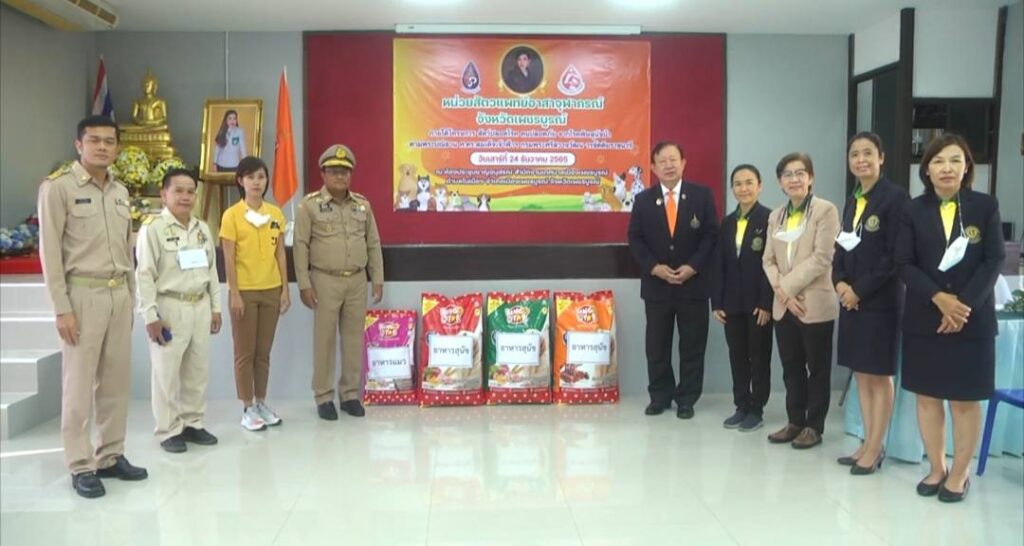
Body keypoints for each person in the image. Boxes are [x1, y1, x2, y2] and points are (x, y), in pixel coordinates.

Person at [37, 115, 148, 499]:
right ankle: (80, 464)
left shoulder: (120, 191)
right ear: (78, 145)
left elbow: (127, 249)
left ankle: (111, 455)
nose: (102, 147)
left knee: (116, 383)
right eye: (94, 140)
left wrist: (131, 296)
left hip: (118, 295)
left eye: (109, 141)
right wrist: (61, 308)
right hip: (82, 296)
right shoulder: (58, 188)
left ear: (117, 147)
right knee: (79, 385)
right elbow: (50, 253)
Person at [896, 133, 1004, 502]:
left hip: (971, 321)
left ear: (966, 167)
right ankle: (936, 467)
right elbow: (903, 262)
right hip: (925, 318)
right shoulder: (913, 210)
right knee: (927, 397)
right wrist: (939, 298)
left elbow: (993, 259)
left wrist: (962, 305)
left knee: (964, 400)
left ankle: (960, 472)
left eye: (955, 160)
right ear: (926, 169)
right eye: (939, 161)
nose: (947, 168)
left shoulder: (985, 206)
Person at [833, 132, 909, 475]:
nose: (860, 160)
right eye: (854, 154)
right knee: (862, 375)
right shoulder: (853, 199)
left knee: (879, 376)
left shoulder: (895, 198)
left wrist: (858, 290)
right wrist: (839, 282)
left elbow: (894, 256)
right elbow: (842, 246)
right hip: (851, 302)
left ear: (881, 158)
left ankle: (876, 447)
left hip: (880, 302)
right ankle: (866, 441)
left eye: (867, 153)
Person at [628, 141, 719, 419]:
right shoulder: (643, 200)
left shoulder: (701, 195)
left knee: (692, 346)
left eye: (673, 159)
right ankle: (660, 397)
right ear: (653, 167)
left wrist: (693, 266)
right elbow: (635, 238)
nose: (668, 165)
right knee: (657, 347)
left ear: (683, 163)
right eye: (662, 161)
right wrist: (653, 267)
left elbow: (711, 235)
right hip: (657, 287)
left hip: (693, 286)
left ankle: (687, 399)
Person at [135, 168, 223, 453]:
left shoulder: (202, 228)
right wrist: (150, 316)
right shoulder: (153, 229)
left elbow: (212, 271)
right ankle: (168, 429)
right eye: (178, 191)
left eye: (190, 191)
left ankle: (192, 422)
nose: (185, 197)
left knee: (197, 370)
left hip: (200, 305)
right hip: (169, 307)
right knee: (166, 373)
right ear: (164, 194)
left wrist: (216, 308)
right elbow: (144, 275)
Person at [294, 144, 384, 420]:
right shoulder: (309, 206)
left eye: (345, 171)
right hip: (324, 280)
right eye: (334, 171)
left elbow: (373, 243)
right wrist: (304, 284)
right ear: (323, 174)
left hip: (356, 280)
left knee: (354, 340)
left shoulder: (362, 205)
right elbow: (300, 246)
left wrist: (377, 279)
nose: (340, 176)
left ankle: (349, 395)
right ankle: (323, 397)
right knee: (324, 341)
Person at [762, 152, 840, 449]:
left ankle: (814, 426)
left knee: (817, 369)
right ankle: (795, 421)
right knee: (791, 367)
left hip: (814, 304)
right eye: (787, 174)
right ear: (779, 182)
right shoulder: (776, 216)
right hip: (784, 307)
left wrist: (785, 288)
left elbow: (822, 258)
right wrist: (784, 293)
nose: (793, 179)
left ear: (811, 178)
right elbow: (768, 260)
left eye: (800, 173)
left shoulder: (825, 210)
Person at [219, 156, 290, 432]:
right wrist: (234, 293)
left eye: (261, 176)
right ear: (241, 181)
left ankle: (261, 402)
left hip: (271, 289)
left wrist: (285, 289)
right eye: (250, 177)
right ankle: (247, 407)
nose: (256, 182)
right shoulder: (231, 215)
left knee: (263, 352)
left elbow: (280, 253)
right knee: (244, 353)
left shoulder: (275, 214)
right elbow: (228, 257)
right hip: (244, 292)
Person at [711, 164, 773, 432]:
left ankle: (757, 409)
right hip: (732, 304)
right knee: (737, 356)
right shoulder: (727, 222)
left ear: (760, 185)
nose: (743, 188)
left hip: (758, 304)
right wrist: (717, 303)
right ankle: (741, 405)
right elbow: (719, 264)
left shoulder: (770, 219)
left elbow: (773, 265)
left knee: (759, 358)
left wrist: (767, 303)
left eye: (749, 182)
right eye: (738, 183)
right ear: (732, 188)